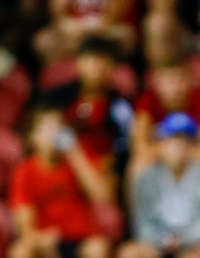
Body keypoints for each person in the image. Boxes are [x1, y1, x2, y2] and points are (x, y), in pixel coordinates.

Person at [8, 106, 114, 258]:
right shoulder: (25, 171)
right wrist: (39, 240)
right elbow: (24, 222)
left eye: (59, 126)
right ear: (33, 137)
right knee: (20, 252)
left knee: (98, 250)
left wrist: (74, 152)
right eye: (48, 127)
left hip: (82, 238)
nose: (54, 132)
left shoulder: (79, 158)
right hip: (45, 239)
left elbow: (102, 196)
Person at [118, 113, 200, 258]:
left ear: (194, 145)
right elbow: (142, 221)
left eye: (185, 140)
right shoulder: (147, 176)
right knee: (130, 254)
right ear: (160, 144)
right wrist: (163, 240)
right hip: (156, 241)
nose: (178, 145)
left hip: (195, 243)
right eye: (171, 139)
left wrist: (183, 240)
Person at [40, 35, 132, 170]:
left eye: (103, 62)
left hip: (98, 169)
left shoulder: (120, 107)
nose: (96, 68)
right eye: (91, 60)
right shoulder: (58, 98)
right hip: (57, 165)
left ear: (112, 68)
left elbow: (123, 147)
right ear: (79, 63)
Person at [130, 56, 200, 175]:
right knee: (139, 164)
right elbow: (139, 147)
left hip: (192, 161)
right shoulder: (146, 103)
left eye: (179, 80)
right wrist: (169, 152)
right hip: (159, 161)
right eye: (168, 81)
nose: (174, 88)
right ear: (155, 82)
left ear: (190, 81)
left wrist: (181, 153)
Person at [32, 0, 136, 66]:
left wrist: (94, 27)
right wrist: (73, 26)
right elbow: (58, 15)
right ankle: (59, 75)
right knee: (44, 40)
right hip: (71, 31)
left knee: (126, 34)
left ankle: (109, 68)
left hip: (104, 30)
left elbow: (116, 13)